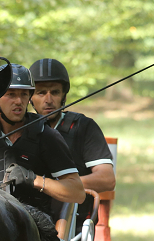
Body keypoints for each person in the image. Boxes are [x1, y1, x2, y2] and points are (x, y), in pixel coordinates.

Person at [0, 63, 85, 220]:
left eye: (24, 94)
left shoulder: (46, 135)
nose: (18, 101)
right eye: (11, 94)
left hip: (33, 223)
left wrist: (33, 179)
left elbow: (77, 193)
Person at [29, 58, 116, 229]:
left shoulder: (83, 127)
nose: (48, 99)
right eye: (41, 93)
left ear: (64, 96)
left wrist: (55, 186)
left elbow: (107, 179)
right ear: (30, 97)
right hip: (30, 222)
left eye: (54, 92)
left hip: (73, 225)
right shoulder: (20, 128)